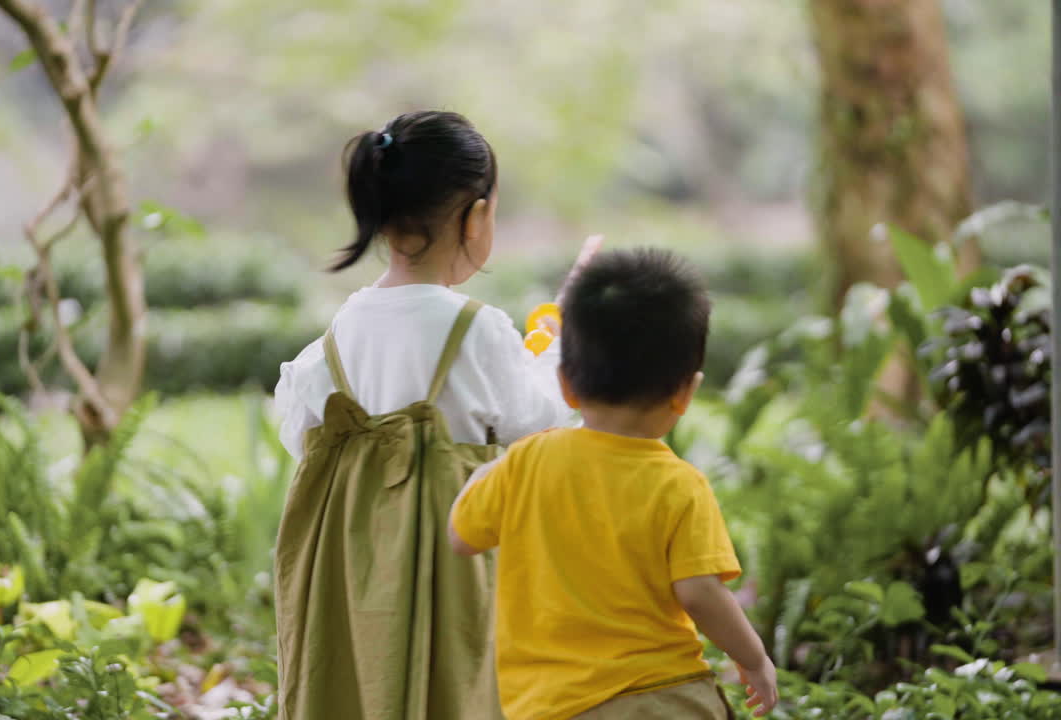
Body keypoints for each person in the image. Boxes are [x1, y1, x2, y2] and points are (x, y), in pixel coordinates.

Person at [272, 110, 574, 720]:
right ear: (477, 215)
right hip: (453, 578)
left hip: (351, 586)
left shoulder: (338, 334)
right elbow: (544, 417)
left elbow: (296, 424)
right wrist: (558, 334)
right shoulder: (477, 331)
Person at [448, 248, 780, 720]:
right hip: (660, 698)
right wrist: (753, 659)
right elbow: (700, 593)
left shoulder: (525, 463)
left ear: (565, 385)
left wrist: (494, 466)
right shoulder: (679, 485)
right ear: (685, 392)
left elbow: (461, 536)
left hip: (546, 707)